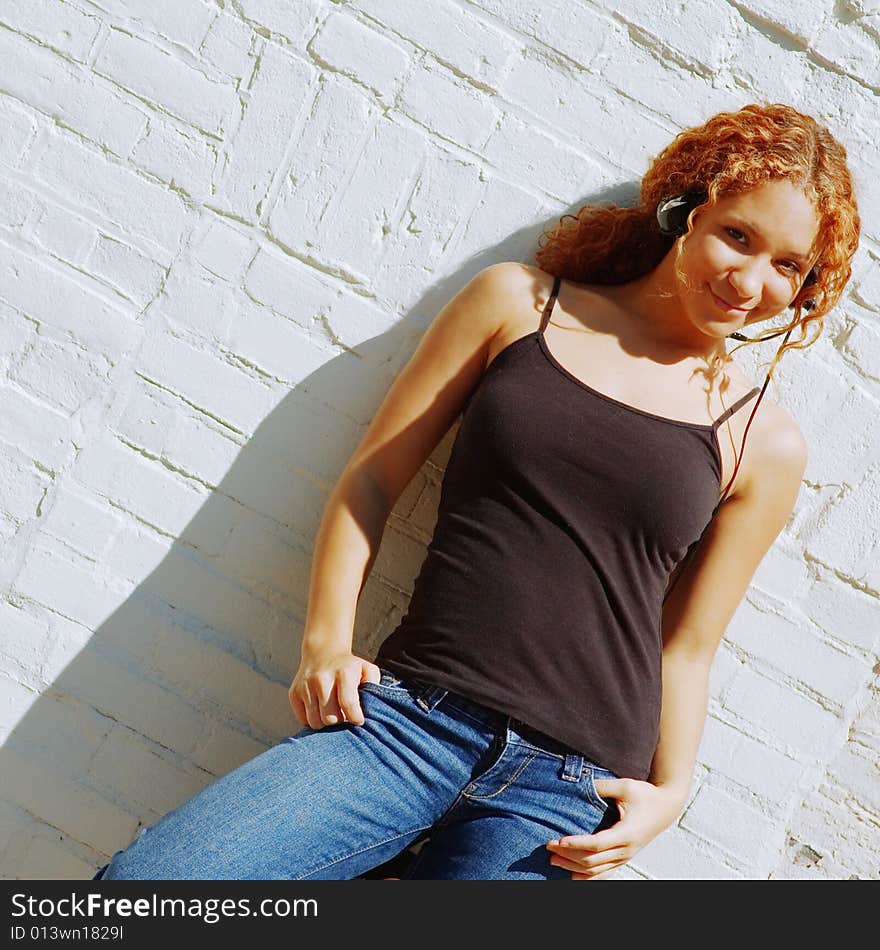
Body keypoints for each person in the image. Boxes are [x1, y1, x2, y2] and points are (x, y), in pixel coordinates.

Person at [91, 102, 860, 880]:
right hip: (406, 724)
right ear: (687, 212)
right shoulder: (520, 306)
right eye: (739, 236)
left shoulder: (764, 439)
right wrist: (324, 643)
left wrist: (673, 791)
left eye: (788, 267)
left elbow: (687, 648)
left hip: (566, 789)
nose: (751, 279)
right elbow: (372, 479)